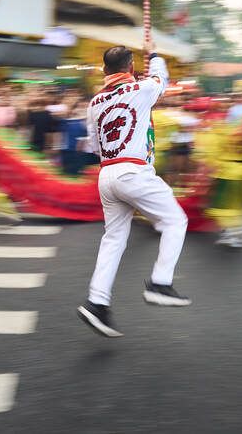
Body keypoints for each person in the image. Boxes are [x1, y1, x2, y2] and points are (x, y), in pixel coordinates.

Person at [78, 43, 190, 338]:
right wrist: (153, 56)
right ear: (130, 68)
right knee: (175, 221)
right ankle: (160, 283)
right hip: (134, 171)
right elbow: (161, 79)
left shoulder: (94, 103)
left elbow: (92, 145)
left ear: (104, 70)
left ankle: (97, 302)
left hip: (107, 174)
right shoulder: (141, 89)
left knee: (113, 239)